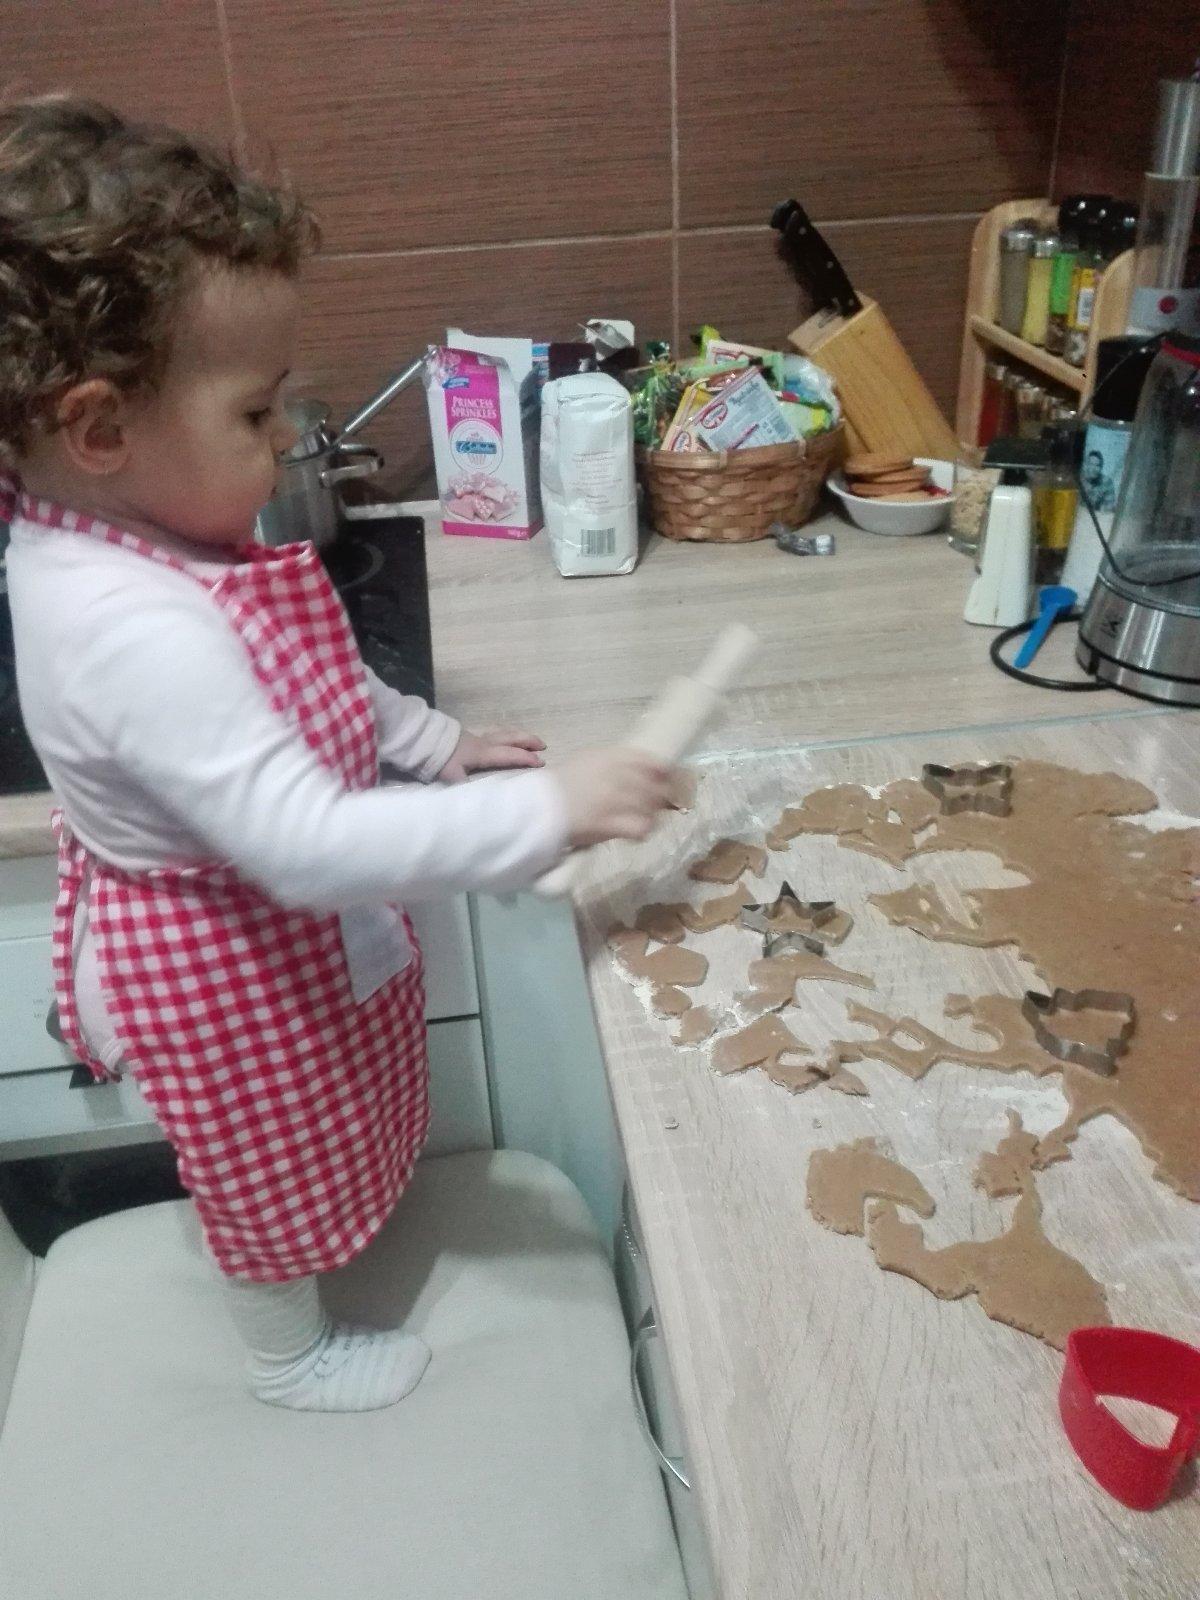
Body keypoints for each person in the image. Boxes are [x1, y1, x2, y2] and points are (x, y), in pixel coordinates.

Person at [0, 96, 673, 1412]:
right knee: (257, 1167)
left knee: (323, 1117)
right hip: (217, 952)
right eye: (257, 412)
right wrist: (548, 810)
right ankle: (286, 1358)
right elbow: (307, 843)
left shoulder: (148, 526)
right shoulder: (125, 627)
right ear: (100, 429)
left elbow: (313, 674)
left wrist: (434, 740)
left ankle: (328, 1248)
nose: (280, 440)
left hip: (264, 918)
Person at [1079, 447, 1117, 512]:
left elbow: (1109, 506)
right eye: (1090, 464)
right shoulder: (1078, 478)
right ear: (1085, 465)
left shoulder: (1107, 482)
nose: (1093, 468)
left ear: (1101, 468)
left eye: (1097, 465)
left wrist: (1099, 508)